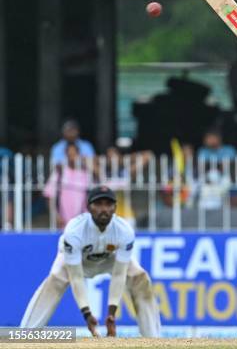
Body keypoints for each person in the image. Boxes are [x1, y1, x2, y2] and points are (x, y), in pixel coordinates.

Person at [21, 186, 160, 337]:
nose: (104, 209)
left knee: (140, 277)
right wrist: (87, 314)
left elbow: (119, 274)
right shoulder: (75, 230)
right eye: (98, 204)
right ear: (88, 207)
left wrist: (111, 314)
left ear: (115, 208)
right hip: (77, 261)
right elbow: (76, 277)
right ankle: (25, 335)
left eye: (108, 204)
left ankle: (154, 340)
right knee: (56, 278)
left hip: (109, 259)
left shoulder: (124, 231)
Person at [43, 142, 91, 228]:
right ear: (66, 155)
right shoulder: (60, 172)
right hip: (63, 222)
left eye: (74, 154)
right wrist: (55, 216)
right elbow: (49, 196)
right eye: (69, 154)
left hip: (84, 222)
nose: (72, 157)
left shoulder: (86, 173)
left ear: (79, 154)